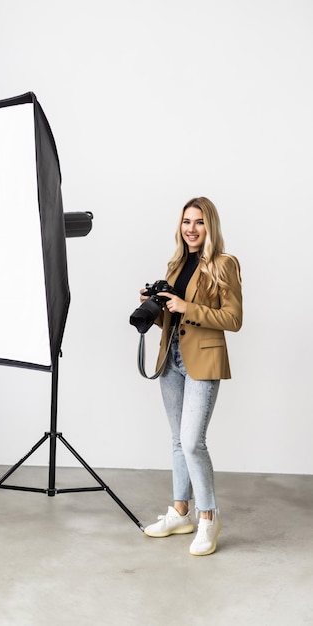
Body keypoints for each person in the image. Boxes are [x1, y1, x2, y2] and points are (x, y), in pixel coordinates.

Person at [140, 197, 242, 556]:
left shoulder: (224, 264)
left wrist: (187, 306)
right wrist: (154, 307)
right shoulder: (175, 264)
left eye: (199, 222)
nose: (191, 229)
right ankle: (181, 511)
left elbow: (233, 319)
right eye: (186, 221)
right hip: (172, 358)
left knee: (192, 441)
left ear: (209, 226)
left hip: (203, 361)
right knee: (176, 440)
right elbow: (174, 321)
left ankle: (209, 517)